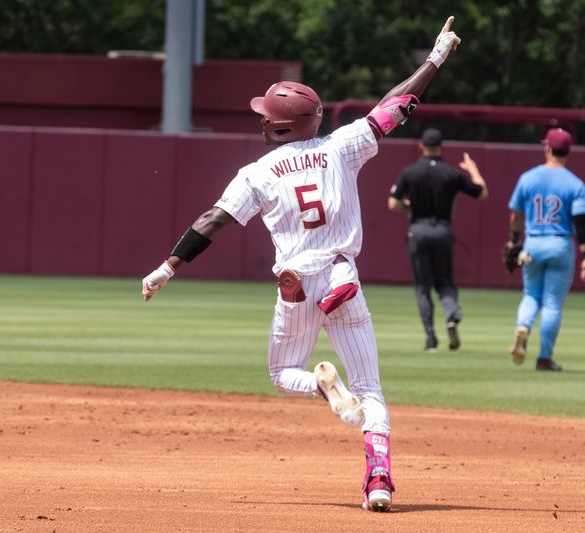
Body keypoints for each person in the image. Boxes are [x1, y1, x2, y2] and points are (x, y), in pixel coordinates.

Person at [141, 17, 461, 512]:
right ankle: (379, 482)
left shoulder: (256, 173)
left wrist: (168, 266)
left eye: (264, 115)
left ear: (275, 126)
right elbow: (394, 106)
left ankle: (318, 383)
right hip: (341, 275)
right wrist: (434, 59)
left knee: (283, 372)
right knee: (370, 390)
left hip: (295, 283)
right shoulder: (342, 146)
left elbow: (214, 219)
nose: (261, 120)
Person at [387, 128, 488, 352]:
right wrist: (473, 170)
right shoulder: (451, 173)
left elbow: (393, 203)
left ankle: (431, 339)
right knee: (445, 283)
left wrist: (409, 207)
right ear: (441, 146)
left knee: (423, 287)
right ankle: (451, 313)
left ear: (422, 146)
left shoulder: (410, 172)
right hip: (442, 231)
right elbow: (482, 193)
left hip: (418, 230)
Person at [505, 127, 585, 372]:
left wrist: (514, 241)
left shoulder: (528, 178)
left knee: (531, 295)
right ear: (568, 152)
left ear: (548, 148)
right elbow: (581, 223)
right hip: (560, 244)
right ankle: (544, 358)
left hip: (533, 243)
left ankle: (523, 325)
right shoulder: (575, 183)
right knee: (552, 303)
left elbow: (516, 216)